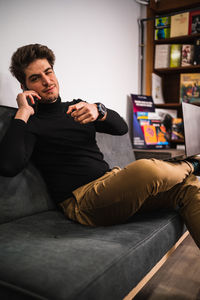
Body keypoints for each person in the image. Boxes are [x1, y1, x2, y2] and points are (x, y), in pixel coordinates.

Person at [0, 44, 200, 249]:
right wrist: (23, 111)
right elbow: (8, 165)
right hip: (83, 201)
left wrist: (98, 109)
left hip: (113, 184)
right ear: (25, 88)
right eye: (35, 78)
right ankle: (192, 163)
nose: (46, 81)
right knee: (145, 169)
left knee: (190, 186)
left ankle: (190, 167)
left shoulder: (77, 107)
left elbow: (121, 128)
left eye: (48, 72)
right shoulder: (30, 122)